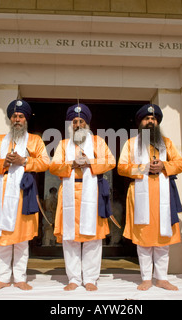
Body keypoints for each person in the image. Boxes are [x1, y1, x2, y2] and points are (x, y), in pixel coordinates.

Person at [0, 99, 49, 291]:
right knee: (3, 237)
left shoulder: (35, 140)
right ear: (10, 118)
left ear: (26, 119)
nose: (17, 119)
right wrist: (3, 162)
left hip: (23, 194)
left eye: (21, 116)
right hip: (2, 195)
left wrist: (24, 160)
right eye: (14, 116)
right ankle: (3, 278)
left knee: (21, 238)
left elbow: (45, 163)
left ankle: (20, 277)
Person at [118, 104, 182, 291]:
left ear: (157, 122)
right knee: (144, 239)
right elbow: (122, 167)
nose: (150, 121)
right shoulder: (131, 143)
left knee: (163, 238)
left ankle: (162, 278)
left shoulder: (167, 142)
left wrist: (164, 165)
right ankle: (146, 277)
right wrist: (144, 167)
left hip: (163, 193)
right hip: (140, 195)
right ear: (140, 122)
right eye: (147, 119)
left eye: (153, 119)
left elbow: (180, 164)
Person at [49, 103, 115, 291]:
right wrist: (71, 164)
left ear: (87, 124)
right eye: (74, 121)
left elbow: (111, 161)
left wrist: (89, 162)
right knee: (70, 238)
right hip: (69, 193)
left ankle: (91, 279)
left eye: (81, 121)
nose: (78, 124)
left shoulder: (98, 142)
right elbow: (54, 166)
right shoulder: (63, 144)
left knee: (92, 237)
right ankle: (74, 278)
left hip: (91, 192)